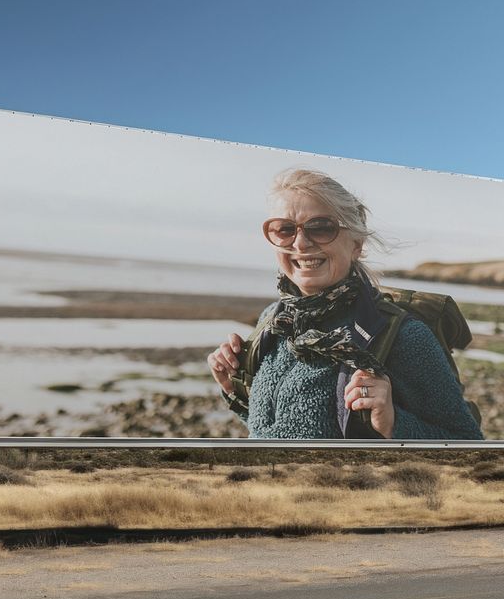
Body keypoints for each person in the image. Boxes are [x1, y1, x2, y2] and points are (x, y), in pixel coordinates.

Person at [207, 168, 484, 440]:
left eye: (320, 228)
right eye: (284, 229)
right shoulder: (274, 320)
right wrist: (233, 387)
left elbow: (469, 444)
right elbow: (270, 431)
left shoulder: (402, 336)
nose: (300, 243)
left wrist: (392, 423)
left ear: (356, 244)